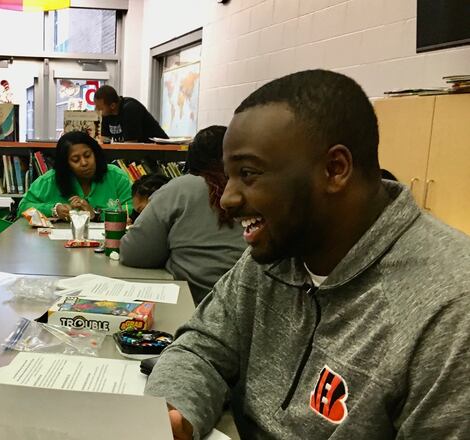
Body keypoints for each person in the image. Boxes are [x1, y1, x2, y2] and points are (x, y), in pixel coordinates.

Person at [145, 70, 470, 439]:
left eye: (248, 173)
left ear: (335, 169)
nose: (227, 199)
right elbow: (203, 347)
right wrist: (176, 414)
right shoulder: (277, 252)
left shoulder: (451, 308)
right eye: (228, 175)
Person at [120, 126, 246, 304]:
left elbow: (135, 253)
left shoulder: (180, 188)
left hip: (195, 301)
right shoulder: (257, 189)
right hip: (252, 301)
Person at [17, 131, 132, 221]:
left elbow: (133, 209)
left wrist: (96, 214)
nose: (84, 163)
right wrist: (53, 209)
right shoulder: (50, 180)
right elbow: (23, 207)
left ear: (96, 154)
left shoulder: (115, 176)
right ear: (66, 164)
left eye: (87, 156)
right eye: (75, 160)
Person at [94, 85, 168, 143]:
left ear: (112, 106)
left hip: (161, 152)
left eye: (100, 108)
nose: (97, 110)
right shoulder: (106, 113)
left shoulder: (130, 109)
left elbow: (131, 145)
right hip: (142, 154)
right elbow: (105, 141)